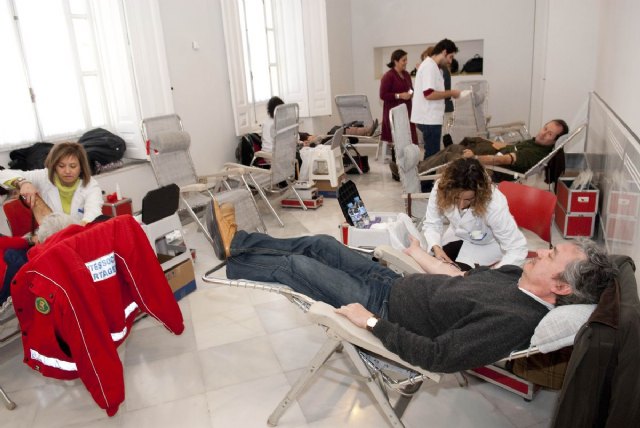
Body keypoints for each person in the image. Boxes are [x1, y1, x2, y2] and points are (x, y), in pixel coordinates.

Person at [208, 201, 616, 373]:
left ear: (561, 289)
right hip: (393, 283)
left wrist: (370, 323)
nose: (539, 253)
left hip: (379, 306)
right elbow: (461, 280)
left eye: (550, 257)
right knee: (322, 243)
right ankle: (239, 244)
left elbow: (438, 356)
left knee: (298, 265)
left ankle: (234, 263)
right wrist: (422, 256)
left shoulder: (515, 321)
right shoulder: (517, 279)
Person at [423, 158, 527, 270]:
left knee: (456, 278)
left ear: (480, 194)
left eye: (468, 199)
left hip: (486, 245)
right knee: (433, 265)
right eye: (456, 198)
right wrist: (436, 246)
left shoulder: (494, 204)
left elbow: (517, 248)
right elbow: (432, 223)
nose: (461, 205)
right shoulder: (442, 189)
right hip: (456, 235)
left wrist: (496, 275)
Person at [417, 119, 569, 176]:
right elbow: (512, 148)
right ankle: (420, 169)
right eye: (545, 128)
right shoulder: (534, 143)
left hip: (493, 171)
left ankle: (417, 174)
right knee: (454, 147)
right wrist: (493, 143)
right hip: (492, 161)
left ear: (555, 141)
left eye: (550, 134)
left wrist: (475, 158)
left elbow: (503, 160)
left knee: (450, 156)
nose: (544, 134)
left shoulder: (535, 154)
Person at [0, 141, 103, 224]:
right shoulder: (44, 177)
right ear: (53, 166)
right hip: (51, 239)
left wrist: (81, 227)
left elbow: (93, 212)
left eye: (73, 166)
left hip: (80, 236)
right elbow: (3, 174)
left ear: (81, 167)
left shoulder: (90, 184)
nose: (67, 171)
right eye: (61, 166)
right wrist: (22, 183)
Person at [411, 39, 461, 160]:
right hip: (429, 118)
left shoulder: (434, 67)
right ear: (444, 52)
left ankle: (425, 179)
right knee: (432, 157)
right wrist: (450, 93)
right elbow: (428, 94)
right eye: (450, 57)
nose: (450, 61)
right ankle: (426, 179)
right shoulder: (429, 67)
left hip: (432, 117)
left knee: (432, 155)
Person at [379, 49, 418, 180]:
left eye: (406, 60)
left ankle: (408, 168)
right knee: (398, 143)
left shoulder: (406, 74)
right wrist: (399, 95)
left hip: (407, 112)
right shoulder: (388, 76)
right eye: (403, 60)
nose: (406, 63)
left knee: (409, 141)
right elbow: (383, 95)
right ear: (395, 61)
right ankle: (397, 172)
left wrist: (410, 93)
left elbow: (411, 89)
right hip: (394, 114)